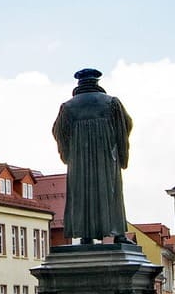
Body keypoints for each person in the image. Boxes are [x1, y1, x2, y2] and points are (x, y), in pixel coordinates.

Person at [52, 68, 133, 243]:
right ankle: (119, 234)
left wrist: (69, 154)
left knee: (81, 192)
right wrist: (120, 152)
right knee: (111, 190)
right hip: (106, 157)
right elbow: (125, 126)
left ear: (79, 85)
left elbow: (58, 132)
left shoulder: (68, 107)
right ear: (97, 83)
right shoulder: (111, 102)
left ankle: (85, 235)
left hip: (79, 161)